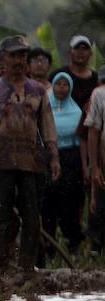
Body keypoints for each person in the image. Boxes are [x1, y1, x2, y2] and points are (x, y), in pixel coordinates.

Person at [0, 36, 59, 277]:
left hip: (32, 162)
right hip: (1, 161)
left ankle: (26, 267)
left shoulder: (38, 89)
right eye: (13, 55)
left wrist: (53, 156)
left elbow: (47, 125)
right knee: (1, 215)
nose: (19, 61)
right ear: (2, 59)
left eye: (23, 55)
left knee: (32, 216)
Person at [42, 72, 85, 256]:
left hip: (71, 160)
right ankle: (48, 246)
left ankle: (72, 245)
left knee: (70, 202)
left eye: (65, 84)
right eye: (57, 84)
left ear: (70, 88)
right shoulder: (44, 110)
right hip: (48, 158)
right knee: (47, 202)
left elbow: (81, 139)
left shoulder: (77, 112)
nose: (61, 87)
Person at [82, 68, 105, 252]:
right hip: (103, 161)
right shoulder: (99, 93)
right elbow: (93, 131)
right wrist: (95, 166)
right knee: (99, 205)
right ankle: (96, 249)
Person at [65, 35, 99, 113]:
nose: (81, 52)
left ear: (91, 53)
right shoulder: (59, 75)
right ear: (69, 52)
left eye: (85, 48)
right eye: (77, 48)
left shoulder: (97, 79)